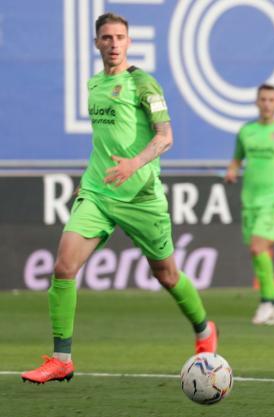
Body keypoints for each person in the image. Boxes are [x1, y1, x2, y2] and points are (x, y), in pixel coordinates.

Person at [21, 12, 217, 384]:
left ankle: (204, 329)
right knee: (63, 267)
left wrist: (133, 164)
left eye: (120, 37)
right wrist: (90, 177)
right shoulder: (94, 84)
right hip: (98, 191)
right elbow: (104, 141)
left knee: (166, 274)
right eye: (107, 38)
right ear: (97, 43)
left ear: (129, 42)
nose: (114, 44)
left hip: (141, 195)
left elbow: (165, 137)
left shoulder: (143, 83)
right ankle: (62, 359)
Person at [224, 84, 274, 325]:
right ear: (256, 102)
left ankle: (266, 302)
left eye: (271, 100)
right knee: (259, 253)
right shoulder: (246, 132)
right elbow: (236, 160)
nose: (267, 104)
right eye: (263, 99)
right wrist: (231, 171)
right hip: (250, 200)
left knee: (257, 248)